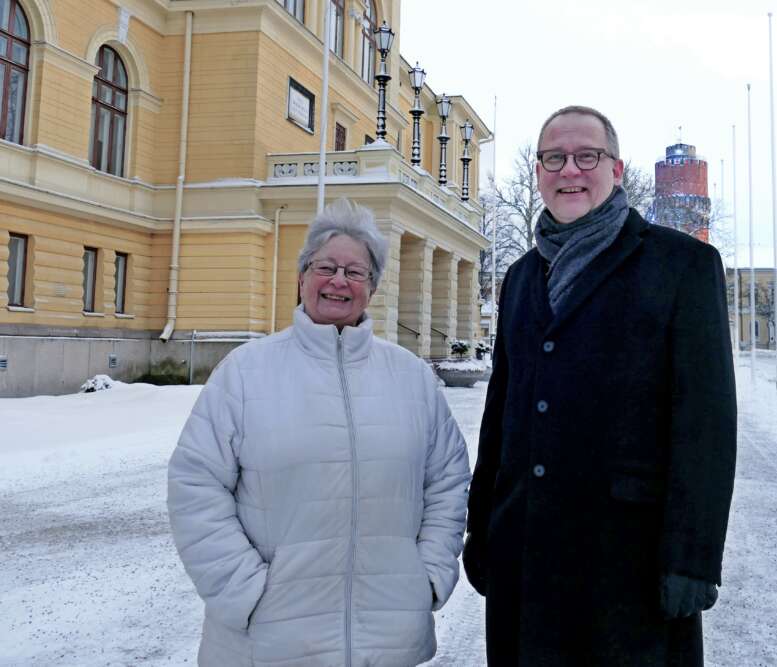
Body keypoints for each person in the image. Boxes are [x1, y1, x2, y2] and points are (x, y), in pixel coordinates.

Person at [463, 106, 737, 666]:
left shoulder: (682, 265)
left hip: (628, 567)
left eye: (587, 156)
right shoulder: (519, 277)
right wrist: (483, 528)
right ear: (538, 171)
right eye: (554, 158)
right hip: (527, 553)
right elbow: (502, 416)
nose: (570, 171)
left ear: (616, 167)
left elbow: (705, 425)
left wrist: (693, 558)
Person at [167, 198, 470, 666]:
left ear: (372, 288)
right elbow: (196, 485)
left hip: (386, 641)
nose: (338, 281)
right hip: (267, 643)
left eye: (355, 272)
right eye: (325, 266)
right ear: (301, 276)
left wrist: (427, 573)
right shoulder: (246, 373)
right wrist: (245, 591)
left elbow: (447, 481)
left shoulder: (410, 378)